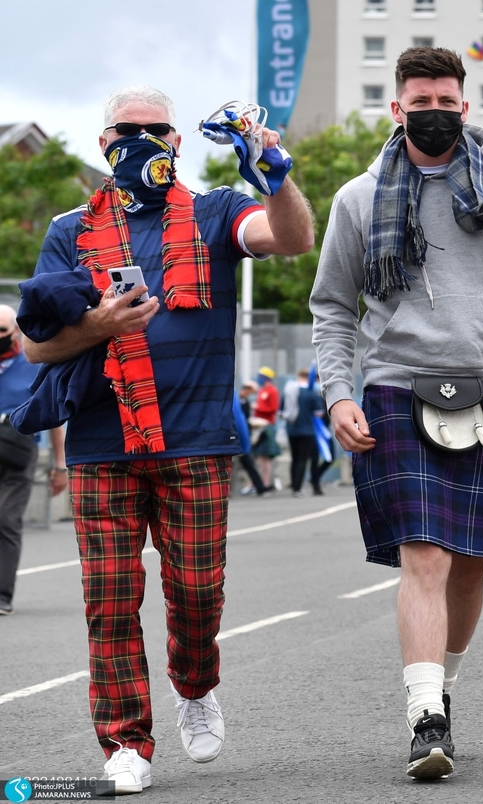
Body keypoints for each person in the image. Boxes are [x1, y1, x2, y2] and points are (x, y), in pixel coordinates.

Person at [21, 85, 313, 793]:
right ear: (103, 142)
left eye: (157, 129)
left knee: (196, 592)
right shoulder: (70, 229)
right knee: (110, 597)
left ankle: (195, 683)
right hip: (102, 441)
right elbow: (36, 350)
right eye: (127, 129)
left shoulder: (215, 211)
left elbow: (294, 237)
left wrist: (271, 166)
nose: (142, 140)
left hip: (197, 442)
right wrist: (101, 328)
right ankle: (124, 741)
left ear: (179, 141)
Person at [309, 47, 483, 781]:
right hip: (397, 390)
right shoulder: (357, 199)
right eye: (420, 100)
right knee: (425, 554)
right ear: (396, 109)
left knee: (469, 566)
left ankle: (444, 686)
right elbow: (333, 309)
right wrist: (339, 392)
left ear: (465, 109)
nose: (434, 112)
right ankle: (425, 715)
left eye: (447, 101)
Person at [0, 305, 67, 616]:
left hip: (18, 454)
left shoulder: (31, 362)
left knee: (6, 519)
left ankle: (2, 594)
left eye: (2, 331)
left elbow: (52, 417)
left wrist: (59, 466)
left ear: (15, 331)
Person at [285, 368, 325, 497]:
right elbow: (319, 413)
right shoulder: (310, 392)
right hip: (307, 430)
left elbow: (281, 412)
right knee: (302, 459)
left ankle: (293, 485)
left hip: (291, 429)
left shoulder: (288, 392)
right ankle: (298, 488)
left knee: (294, 458)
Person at [251, 366, 281, 487]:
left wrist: (258, 408)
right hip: (258, 426)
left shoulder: (272, 391)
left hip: (267, 426)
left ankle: (266, 483)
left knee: (266, 458)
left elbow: (273, 409)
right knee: (259, 457)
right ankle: (258, 483)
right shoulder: (262, 390)